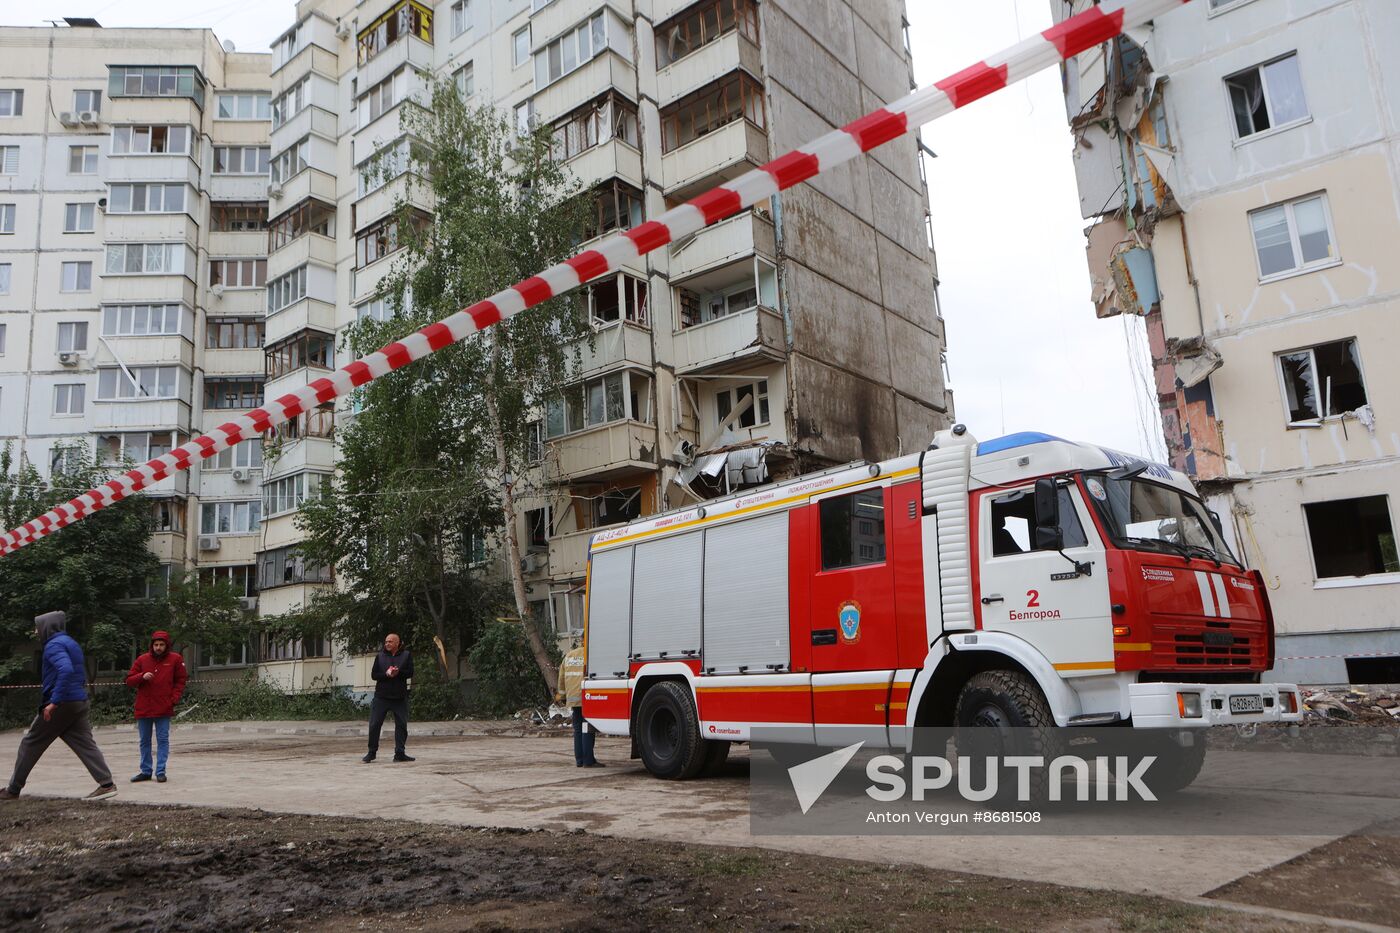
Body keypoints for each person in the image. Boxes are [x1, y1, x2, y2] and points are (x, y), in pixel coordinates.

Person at [0, 611, 117, 801]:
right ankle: (107, 784)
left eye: (37, 627)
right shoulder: (70, 642)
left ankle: (13, 789)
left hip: (62, 703)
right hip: (78, 701)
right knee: (85, 744)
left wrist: (54, 701)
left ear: (46, 627)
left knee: (30, 744)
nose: (36, 631)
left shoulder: (53, 645)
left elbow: (66, 669)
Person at [124, 629, 188, 783]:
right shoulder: (142, 659)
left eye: (161, 644)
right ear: (152, 645)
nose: (158, 647)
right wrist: (142, 676)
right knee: (144, 741)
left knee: (163, 740)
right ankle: (145, 771)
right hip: (144, 707)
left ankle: (160, 771)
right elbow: (129, 680)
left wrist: (173, 699)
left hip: (164, 708)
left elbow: (180, 680)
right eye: (156, 644)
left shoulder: (175, 659)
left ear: (167, 645)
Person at [363, 633, 414, 763]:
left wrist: (399, 673)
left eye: (390, 642)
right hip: (381, 697)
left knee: (402, 725)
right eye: (386, 642)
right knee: (374, 724)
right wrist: (386, 674)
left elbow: (410, 673)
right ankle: (371, 752)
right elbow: (374, 675)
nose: (387, 644)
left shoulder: (406, 655)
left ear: (397, 643)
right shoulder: (380, 657)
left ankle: (400, 753)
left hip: (399, 697)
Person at [556, 639, 601, 768]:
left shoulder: (569, 655)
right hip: (585, 697)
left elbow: (561, 678)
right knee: (587, 728)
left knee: (577, 730)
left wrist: (562, 696)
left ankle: (579, 760)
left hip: (573, 698)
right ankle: (588, 760)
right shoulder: (590, 655)